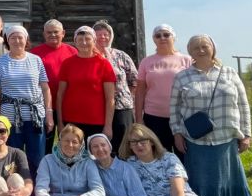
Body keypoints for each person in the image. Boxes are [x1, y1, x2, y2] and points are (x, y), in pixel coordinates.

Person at [170, 35, 252, 196]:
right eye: (195, 47)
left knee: (227, 180)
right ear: (189, 52)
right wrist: (177, 133)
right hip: (196, 139)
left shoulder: (229, 73)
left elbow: (243, 105)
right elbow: (174, 108)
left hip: (226, 137)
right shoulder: (182, 76)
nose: (200, 50)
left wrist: (246, 134)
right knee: (199, 182)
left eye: (204, 46)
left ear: (213, 48)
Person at [0, 26, 52, 177]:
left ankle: (37, 192)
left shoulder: (36, 60)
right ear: (7, 41)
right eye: (13, 38)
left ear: (26, 40)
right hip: (10, 119)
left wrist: (49, 113)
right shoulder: (0, 62)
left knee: (36, 156)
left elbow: (45, 88)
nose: (17, 41)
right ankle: (14, 190)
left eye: (20, 37)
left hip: (35, 118)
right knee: (12, 157)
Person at [135, 24, 192, 152]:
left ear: (174, 37)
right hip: (154, 117)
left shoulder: (187, 60)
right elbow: (140, 91)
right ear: (154, 39)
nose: (162, 38)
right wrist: (139, 118)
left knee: (183, 155)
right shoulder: (146, 62)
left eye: (166, 34)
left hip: (182, 116)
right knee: (159, 156)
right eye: (158, 35)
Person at [56, 26, 116, 140]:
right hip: (71, 120)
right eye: (80, 40)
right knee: (72, 154)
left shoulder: (104, 64)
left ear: (94, 41)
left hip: (96, 121)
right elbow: (60, 95)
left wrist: (108, 126)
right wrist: (60, 123)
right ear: (75, 42)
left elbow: (110, 98)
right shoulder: (67, 64)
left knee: (94, 156)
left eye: (88, 39)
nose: (84, 43)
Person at [31, 19, 77, 159]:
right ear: (44, 34)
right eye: (49, 32)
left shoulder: (72, 52)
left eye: (56, 32)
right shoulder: (35, 54)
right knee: (45, 143)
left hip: (68, 105)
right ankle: (45, 172)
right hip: (44, 105)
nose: (52, 35)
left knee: (70, 141)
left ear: (63, 33)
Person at [93, 20, 138, 150]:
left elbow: (134, 79)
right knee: (102, 144)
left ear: (110, 36)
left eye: (105, 34)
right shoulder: (89, 57)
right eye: (98, 34)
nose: (102, 37)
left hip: (121, 107)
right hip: (98, 108)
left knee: (124, 143)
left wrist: (125, 93)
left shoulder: (121, 55)